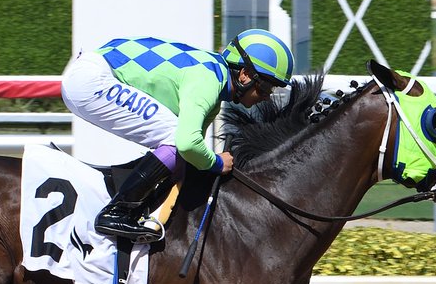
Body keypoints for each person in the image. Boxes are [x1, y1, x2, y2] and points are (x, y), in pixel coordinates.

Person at [60, 28, 295, 242]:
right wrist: (215, 163)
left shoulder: (214, 79)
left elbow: (188, 158)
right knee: (175, 137)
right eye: (265, 87)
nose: (266, 96)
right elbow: (188, 144)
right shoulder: (209, 81)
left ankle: (131, 198)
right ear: (244, 74)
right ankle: (116, 212)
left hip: (92, 72)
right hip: (91, 80)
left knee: (173, 142)